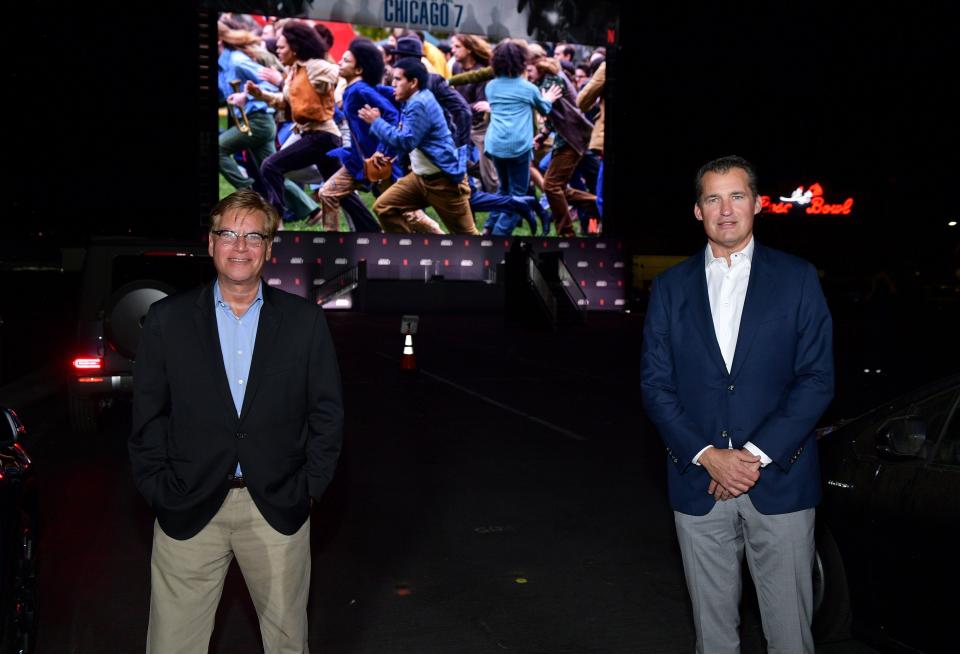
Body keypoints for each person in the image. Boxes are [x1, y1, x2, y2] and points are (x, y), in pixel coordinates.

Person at [130, 189, 344, 653]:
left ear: (269, 248)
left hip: (275, 508)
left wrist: (308, 488)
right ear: (210, 243)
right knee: (171, 646)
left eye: (253, 236)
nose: (240, 246)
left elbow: (326, 413)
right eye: (228, 233)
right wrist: (158, 488)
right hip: (188, 506)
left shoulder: (305, 321)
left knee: (287, 644)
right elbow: (147, 417)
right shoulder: (167, 321)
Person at [640, 156, 834, 654]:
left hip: (781, 481)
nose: (726, 210)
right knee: (713, 637)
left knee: (791, 635)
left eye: (737, 196)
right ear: (698, 211)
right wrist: (708, 454)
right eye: (713, 198)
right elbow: (656, 385)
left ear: (756, 204)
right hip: (698, 481)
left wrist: (753, 457)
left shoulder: (797, 278)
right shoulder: (669, 288)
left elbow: (816, 379)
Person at [361, 59, 477, 234]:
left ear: (413, 82)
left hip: (444, 182)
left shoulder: (419, 103)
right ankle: (413, 249)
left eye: (398, 79)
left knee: (468, 237)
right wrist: (385, 152)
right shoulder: (412, 99)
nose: (393, 84)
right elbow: (406, 135)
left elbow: (406, 141)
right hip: (420, 178)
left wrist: (376, 122)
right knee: (384, 207)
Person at [483, 39, 561, 235]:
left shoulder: (491, 86)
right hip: (518, 147)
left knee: (502, 190)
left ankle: (487, 228)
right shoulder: (528, 88)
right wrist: (549, 98)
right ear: (521, 62)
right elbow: (544, 108)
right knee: (518, 196)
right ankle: (498, 237)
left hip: (495, 145)